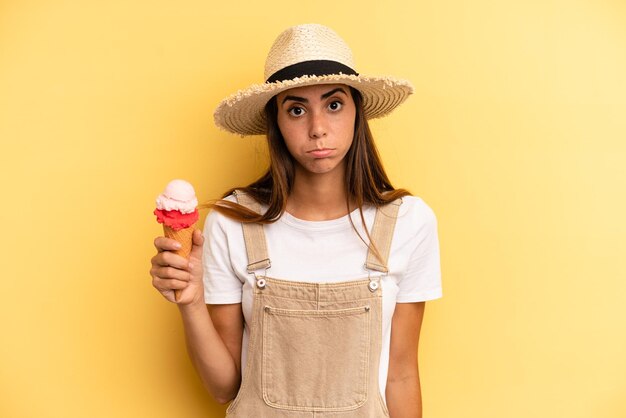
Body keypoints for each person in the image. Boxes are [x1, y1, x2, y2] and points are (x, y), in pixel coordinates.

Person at [150, 24, 442, 417]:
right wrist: (191, 302)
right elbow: (223, 387)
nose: (318, 128)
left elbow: (401, 376)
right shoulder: (234, 222)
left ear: (357, 111)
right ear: (277, 123)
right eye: (297, 109)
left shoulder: (408, 223)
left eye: (334, 104)